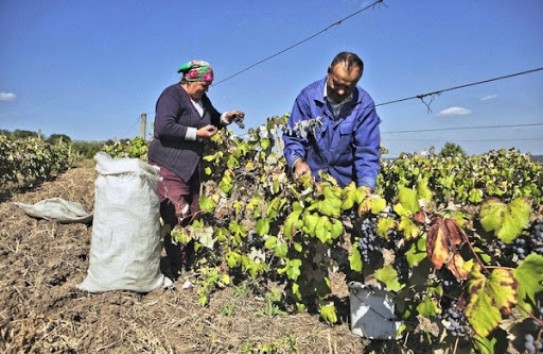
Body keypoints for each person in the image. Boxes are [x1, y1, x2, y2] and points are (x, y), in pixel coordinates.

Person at [148, 60, 244, 276]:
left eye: (208, 86)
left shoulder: (202, 99)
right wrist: (196, 134)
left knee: (193, 213)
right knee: (177, 214)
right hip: (166, 164)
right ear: (190, 80)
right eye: (203, 84)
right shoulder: (171, 95)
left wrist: (226, 118)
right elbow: (163, 127)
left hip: (190, 167)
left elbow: (213, 119)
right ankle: (176, 269)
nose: (206, 89)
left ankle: (187, 265)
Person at [282, 51, 381, 191]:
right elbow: (294, 139)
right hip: (311, 184)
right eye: (337, 83)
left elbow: (367, 152)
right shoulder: (307, 99)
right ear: (329, 72)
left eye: (348, 87)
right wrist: (298, 162)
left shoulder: (364, 105)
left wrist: (365, 188)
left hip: (346, 187)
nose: (341, 91)